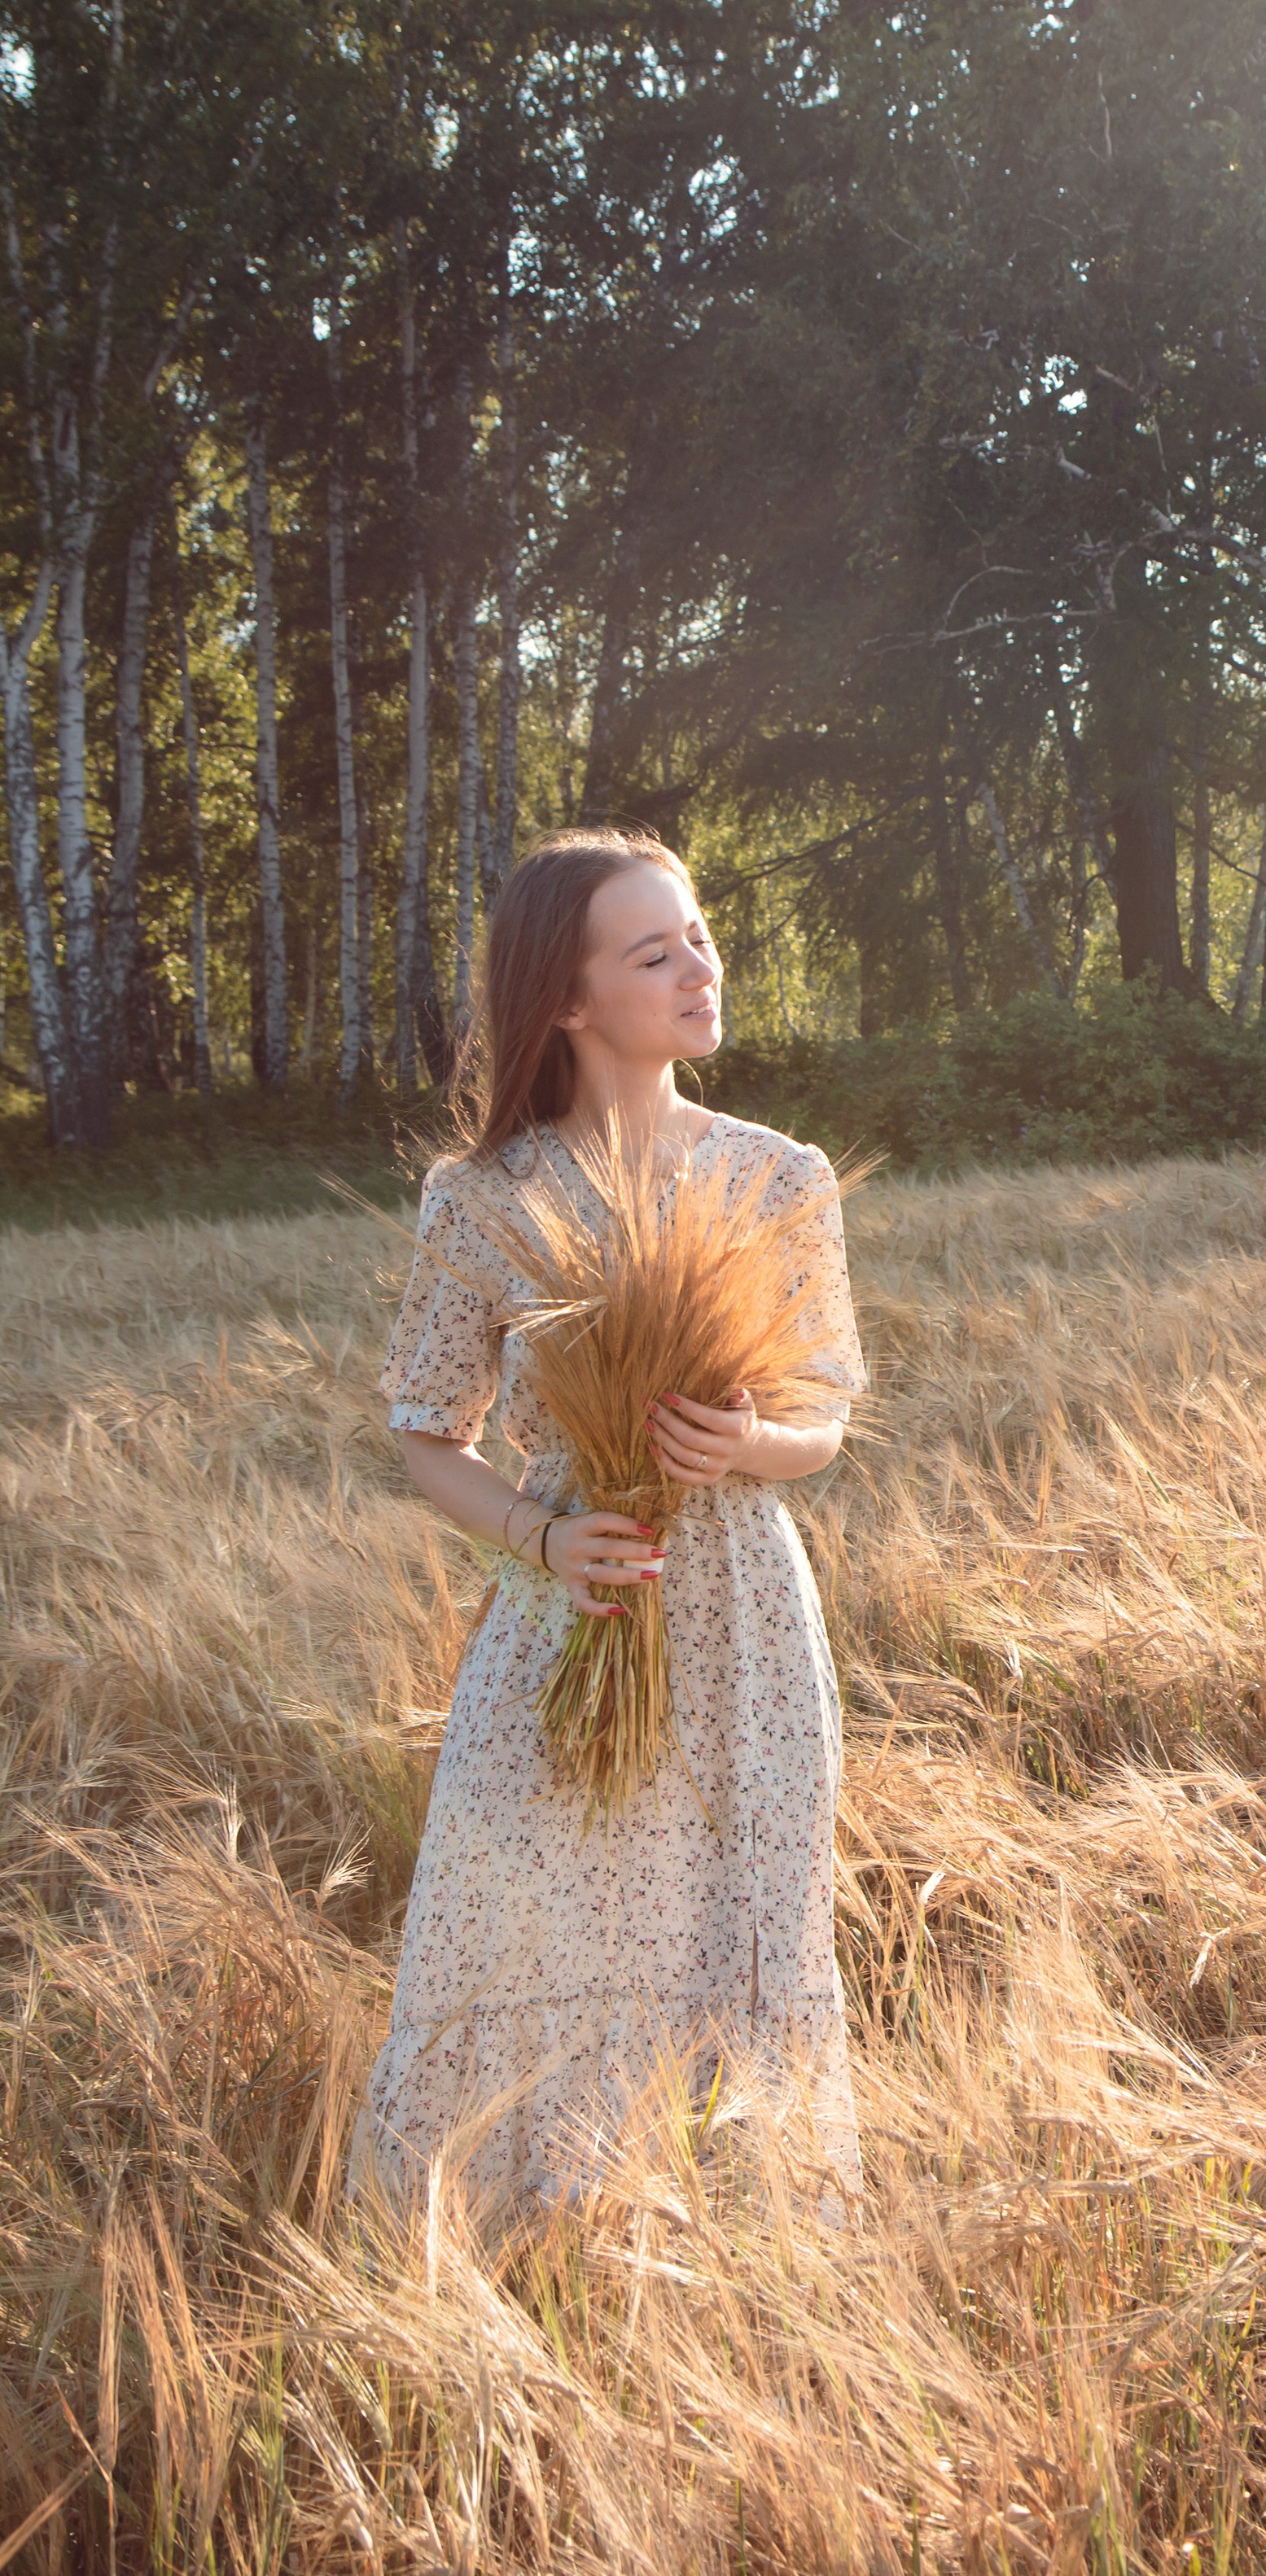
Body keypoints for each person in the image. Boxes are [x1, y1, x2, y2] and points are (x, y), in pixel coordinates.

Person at [351, 827, 867, 2217]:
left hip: (742, 1624)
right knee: (521, 1918)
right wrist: (541, 1538)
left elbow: (823, 1421)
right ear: (568, 1001)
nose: (700, 968)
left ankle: (734, 2239)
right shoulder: (483, 1198)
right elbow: (427, 1430)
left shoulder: (781, 1175)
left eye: (698, 936)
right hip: (569, 1606)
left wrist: (747, 1445)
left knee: (729, 1933)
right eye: (655, 953)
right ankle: (515, 2236)